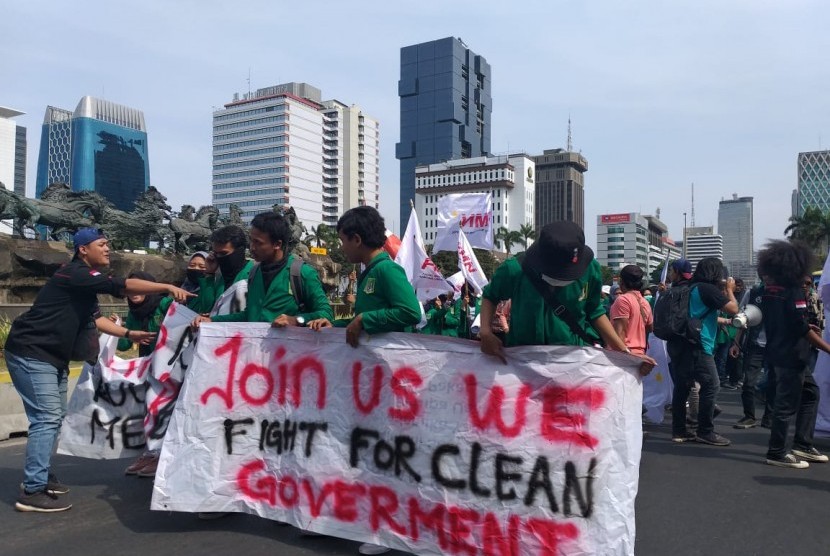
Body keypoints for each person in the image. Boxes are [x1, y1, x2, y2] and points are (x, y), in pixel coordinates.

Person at [4, 228, 194, 512]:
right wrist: (166, 287)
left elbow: (95, 319)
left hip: (51, 357)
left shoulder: (83, 284)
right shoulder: (76, 273)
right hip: (32, 353)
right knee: (46, 419)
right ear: (83, 250)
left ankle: (39, 475)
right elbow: (122, 286)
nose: (107, 249)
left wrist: (128, 334)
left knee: (54, 418)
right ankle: (32, 490)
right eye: (102, 244)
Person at [308, 206, 420, 556]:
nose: (341, 247)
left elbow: (410, 313)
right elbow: (362, 323)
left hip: (390, 380)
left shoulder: (385, 270)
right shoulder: (369, 271)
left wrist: (365, 319)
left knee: (384, 455)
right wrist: (336, 326)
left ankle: (386, 529)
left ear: (357, 239)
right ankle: (365, 518)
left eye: (342, 240)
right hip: (371, 380)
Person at [478, 221, 655, 375]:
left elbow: (595, 311)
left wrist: (625, 352)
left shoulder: (590, 269)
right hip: (523, 361)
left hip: (572, 361)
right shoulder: (514, 269)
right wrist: (485, 332)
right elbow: (490, 296)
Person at [756, 242, 830, 468]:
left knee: (810, 393)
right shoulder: (794, 292)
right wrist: (826, 347)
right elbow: (800, 327)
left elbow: (789, 322)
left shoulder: (768, 292)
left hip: (778, 351)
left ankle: (803, 444)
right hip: (793, 354)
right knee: (786, 404)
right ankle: (777, 452)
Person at [193, 212, 332, 328]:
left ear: (277, 244)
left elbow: (326, 313)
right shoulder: (254, 273)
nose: (252, 247)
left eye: (258, 243)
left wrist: (296, 320)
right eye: (251, 241)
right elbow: (249, 315)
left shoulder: (302, 273)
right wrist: (212, 321)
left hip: (287, 356)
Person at [666, 257, 738, 446]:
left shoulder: (690, 287)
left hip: (682, 343)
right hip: (699, 345)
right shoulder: (707, 289)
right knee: (712, 385)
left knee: (682, 388)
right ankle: (705, 430)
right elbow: (733, 308)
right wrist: (730, 289)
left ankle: (679, 430)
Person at [730, 275, 766, 429]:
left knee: (775, 382)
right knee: (748, 383)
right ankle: (749, 416)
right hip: (754, 344)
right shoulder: (752, 293)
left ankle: (770, 417)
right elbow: (742, 318)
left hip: (777, 346)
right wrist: (736, 343)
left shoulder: (785, 292)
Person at [191, 225, 253, 314]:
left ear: (240, 250)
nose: (219, 258)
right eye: (216, 254)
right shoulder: (221, 278)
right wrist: (209, 274)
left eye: (223, 253)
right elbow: (206, 308)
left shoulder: (254, 274)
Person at [610, 265, 653, 356]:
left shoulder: (623, 300)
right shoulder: (645, 302)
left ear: (622, 281)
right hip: (640, 354)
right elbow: (650, 327)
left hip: (625, 355)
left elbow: (620, 334)